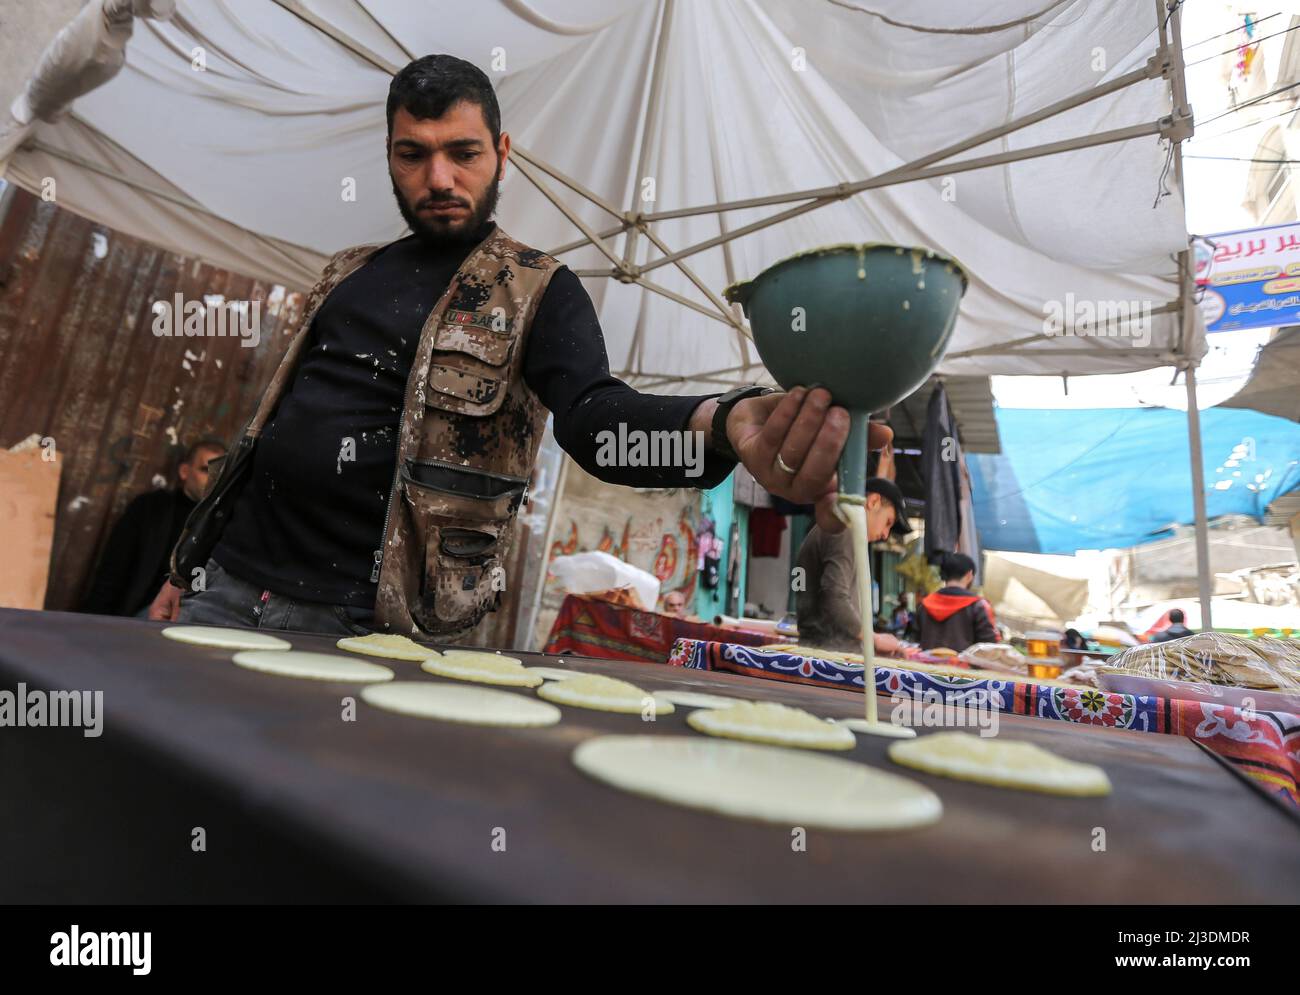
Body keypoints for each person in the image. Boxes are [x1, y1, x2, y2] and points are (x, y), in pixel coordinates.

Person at [147, 54, 888, 638]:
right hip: (228, 583)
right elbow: (270, 428)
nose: (439, 177)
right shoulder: (347, 271)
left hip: (363, 621)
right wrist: (189, 564)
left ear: (502, 151)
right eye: (414, 154)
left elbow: (599, 425)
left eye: (462, 152)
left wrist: (721, 425)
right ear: (390, 156)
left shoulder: (537, 289)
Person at [82, 438, 226, 618]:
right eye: (206, 470)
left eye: (220, 473)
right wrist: (94, 621)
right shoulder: (151, 509)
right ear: (184, 471)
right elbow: (113, 571)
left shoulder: (224, 522)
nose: (213, 480)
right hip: (143, 614)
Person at [794, 477, 911, 655]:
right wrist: (875, 639)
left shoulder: (840, 527)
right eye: (888, 522)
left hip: (827, 651)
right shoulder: (844, 528)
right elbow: (834, 595)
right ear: (873, 502)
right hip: (829, 657)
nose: (886, 535)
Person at [915, 551, 998, 652]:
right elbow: (989, 646)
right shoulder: (978, 606)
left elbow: (916, 640)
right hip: (963, 667)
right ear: (969, 575)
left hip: (924, 666)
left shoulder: (924, 604)